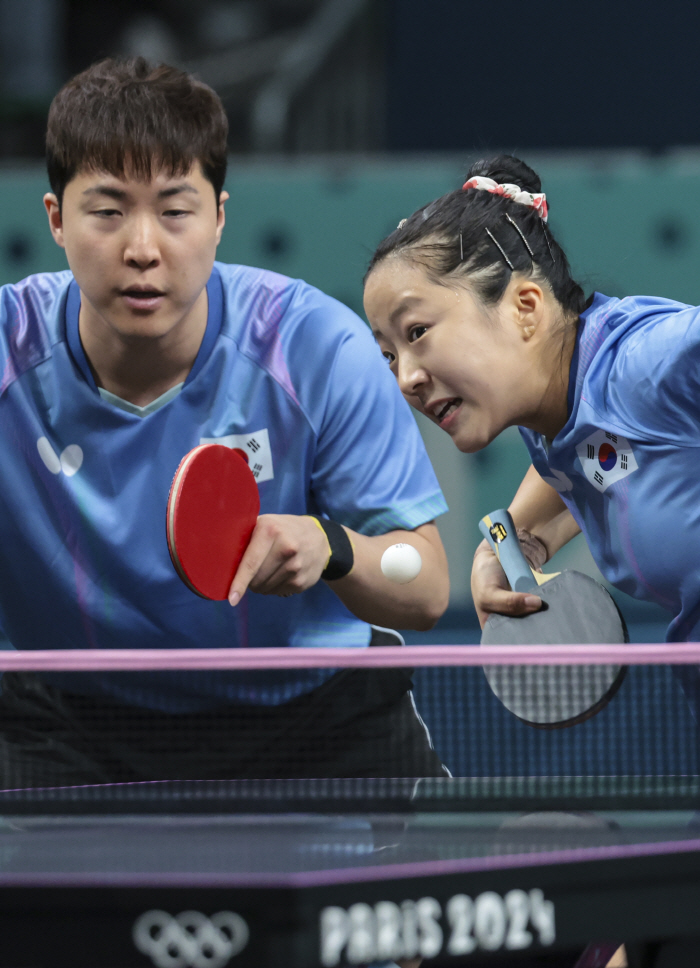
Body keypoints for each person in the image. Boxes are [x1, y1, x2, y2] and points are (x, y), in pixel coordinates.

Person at [0, 57, 451, 787]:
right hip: (67, 725)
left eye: (175, 211)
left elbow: (427, 588)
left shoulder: (313, 348)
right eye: (107, 210)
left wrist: (329, 546)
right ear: (56, 219)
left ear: (218, 217)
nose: (142, 247)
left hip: (314, 724)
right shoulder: (8, 353)